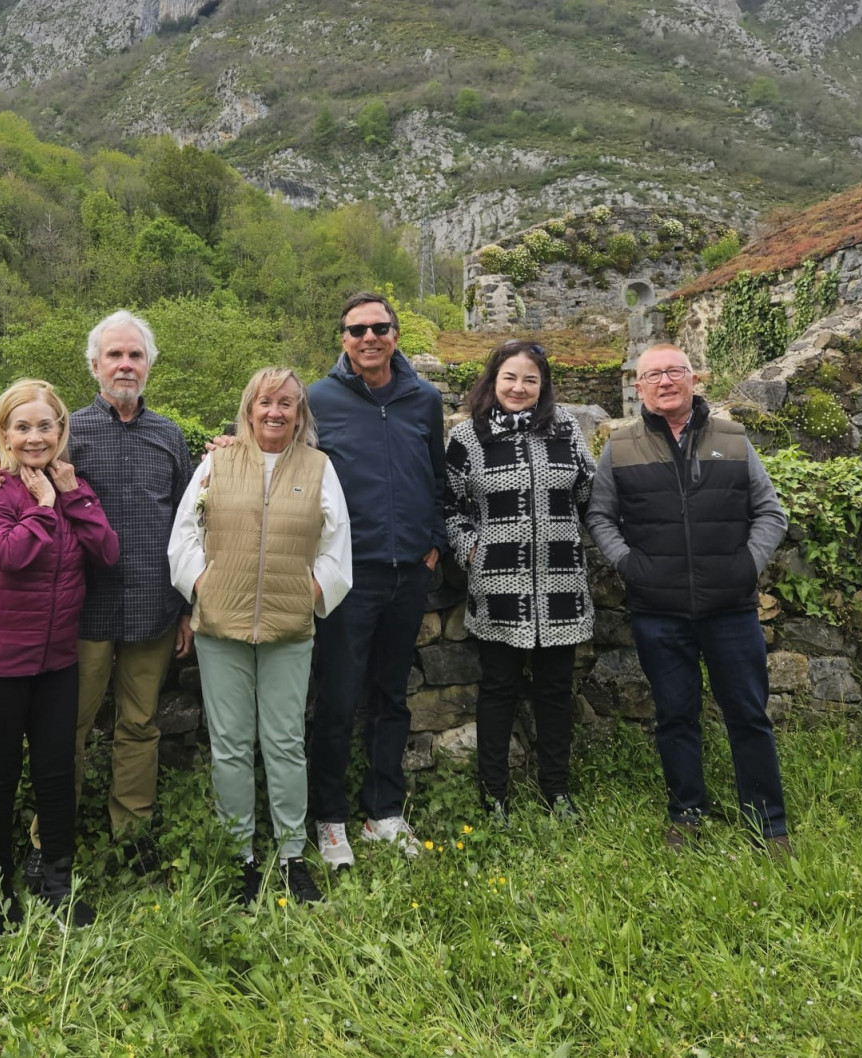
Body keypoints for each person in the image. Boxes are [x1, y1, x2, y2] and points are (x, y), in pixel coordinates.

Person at [0, 311, 193, 886]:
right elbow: (5, 473)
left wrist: (189, 604)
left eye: (135, 356)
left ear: (148, 366)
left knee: (140, 725)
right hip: (78, 615)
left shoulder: (170, 436)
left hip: (152, 608)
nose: (124, 365)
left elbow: (193, 520)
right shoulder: (69, 432)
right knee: (68, 732)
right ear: (94, 366)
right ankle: (51, 842)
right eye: (113, 355)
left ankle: (131, 836)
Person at [586, 343, 791, 852]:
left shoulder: (734, 438)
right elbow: (600, 518)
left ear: (694, 378)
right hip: (658, 612)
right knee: (675, 716)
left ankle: (769, 824)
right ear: (640, 387)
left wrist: (746, 564)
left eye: (674, 371)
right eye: (652, 375)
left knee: (748, 715)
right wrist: (631, 565)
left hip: (731, 609)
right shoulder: (621, 446)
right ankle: (686, 815)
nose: (664, 382)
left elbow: (771, 512)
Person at [169, 368, 352, 904]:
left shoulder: (319, 467)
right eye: (266, 402)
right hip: (220, 627)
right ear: (249, 408)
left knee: (285, 742)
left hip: (288, 628)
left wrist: (310, 597)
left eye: (287, 404)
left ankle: (292, 852)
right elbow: (185, 534)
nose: (276, 412)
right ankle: (240, 856)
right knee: (229, 744)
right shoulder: (216, 462)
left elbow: (337, 546)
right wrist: (203, 585)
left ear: (300, 412)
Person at [0, 379, 120, 933]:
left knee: (55, 772)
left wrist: (72, 497)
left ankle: (57, 885)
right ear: (3, 434)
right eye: (21, 426)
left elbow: (107, 552)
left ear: (61, 431)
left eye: (46, 425)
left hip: (54, 662)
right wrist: (46, 509)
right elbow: (10, 555)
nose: (34, 436)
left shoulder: (69, 487)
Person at [308, 291, 447, 867]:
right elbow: (280, 456)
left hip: (409, 573)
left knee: (393, 698)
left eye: (379, 328)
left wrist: (434, 543)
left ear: (395, 334)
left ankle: (384, 813)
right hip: (347, 576)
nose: (369, 338)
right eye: (356, 330)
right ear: (342, 338)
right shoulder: (318, 399)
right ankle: (330, 818)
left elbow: (438, 475)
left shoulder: (424, 398)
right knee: (337, 700)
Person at [443, 341, 595, 819]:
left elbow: (591, 493)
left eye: (531, 379)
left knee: (554, 692)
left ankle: (557, 791)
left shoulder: (567, 431)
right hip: (498, 589)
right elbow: (449, 507)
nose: (519, 387)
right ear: (493, 381)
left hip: (561, 587)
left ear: (543, 386)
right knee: (498, 690)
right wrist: (473, 552)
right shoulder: (468, 438)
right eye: (510, 377)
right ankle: (495, 796)